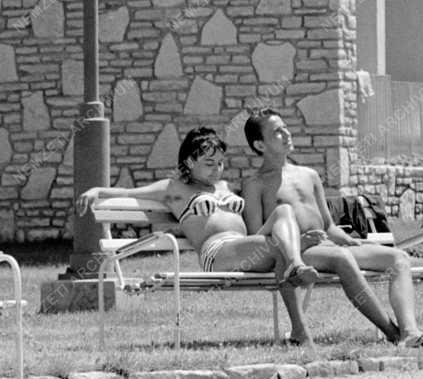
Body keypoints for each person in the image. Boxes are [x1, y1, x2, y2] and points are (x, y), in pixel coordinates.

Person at [76, 126, 319, 345]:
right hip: (218, 253)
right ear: (190, 162)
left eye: (221, 163)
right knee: (279, 250)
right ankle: (299, 320)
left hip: (246, 244)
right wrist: (97, 190)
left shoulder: (223, 187)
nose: (217, 169)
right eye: (209, 163)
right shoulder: (174, 188)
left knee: (284, 211)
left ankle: (295, 264)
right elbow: (128, 192)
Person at [242, 107, 423, 351]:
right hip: (297, 253)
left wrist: (350, 240)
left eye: (285, 128)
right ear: (260, 145)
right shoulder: (255, 184)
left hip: (327, 246)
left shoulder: (309, 175)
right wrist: (299, 242)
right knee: (341, 257)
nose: (286, 134)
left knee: (398, 258)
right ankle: (392, 333)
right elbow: (256, 237)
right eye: (277, 132)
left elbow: (328, 226)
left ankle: (410, 331)